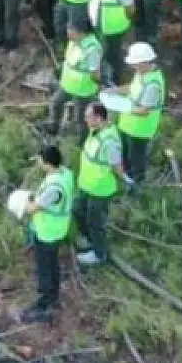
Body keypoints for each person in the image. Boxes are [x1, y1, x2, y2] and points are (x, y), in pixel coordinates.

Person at [22, 146, 75, 322]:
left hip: (48, 232)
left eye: (39, 160)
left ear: (47, 163)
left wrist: (24, 202)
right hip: (57, 229)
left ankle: (45, 304)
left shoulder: (54, 188)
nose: (38, 163)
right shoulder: (65, 174)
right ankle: (54, 294)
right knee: (52, 264)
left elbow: (32, 208)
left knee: (45, 267)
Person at [75, 103, 125, 266]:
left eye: (88, 117)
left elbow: (116, 165)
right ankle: (91, 241)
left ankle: (99, 254)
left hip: (100, 189)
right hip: (87, 185)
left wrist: (124, 178)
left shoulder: (109, 141)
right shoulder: (96, 131)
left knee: (95, 222)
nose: (85, 120)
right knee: (77, 210)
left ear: (98, 118)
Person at [113, 42, 165, 190]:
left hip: (140, 131)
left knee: (136, 161)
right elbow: (133, 88)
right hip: (127, 126)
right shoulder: (142, 74)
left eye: (135, 64)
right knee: (125, 157)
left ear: (145, 62)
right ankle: (126, 180)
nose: (133, 67)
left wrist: (120, 106)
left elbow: (144, 111)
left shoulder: (153, 84)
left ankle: (136, 188)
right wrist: (114, 91)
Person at [88, 0, 135, 85]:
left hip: (113, 29)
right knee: (102, 54)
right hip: (100, 24)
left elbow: (130, 9)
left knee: (113, 56)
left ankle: (115, 81)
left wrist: (121, 22)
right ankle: (104, 79)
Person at [49, 17, 102, 138]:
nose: (68, 31)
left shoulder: (92, 49)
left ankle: (82, 142)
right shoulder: (74, 42)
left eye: (71, 29)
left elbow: (95, 73)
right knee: (55, 103)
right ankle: (53, 127)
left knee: (81, 119)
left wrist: (97, 86)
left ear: (81, 32)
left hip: (82, 90)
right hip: (67, 84)